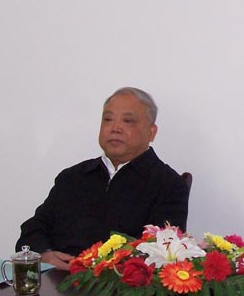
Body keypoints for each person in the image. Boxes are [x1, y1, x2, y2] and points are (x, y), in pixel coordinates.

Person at [16, 87, 190, 270]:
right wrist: (44, 255)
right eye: (108, 119)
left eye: (127, 121)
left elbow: (162, 254)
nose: (115, 128)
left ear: (151, 132)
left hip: (118, 283)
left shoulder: (168, 185)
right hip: (59, 278)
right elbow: (33, 230)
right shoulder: (73, 178)